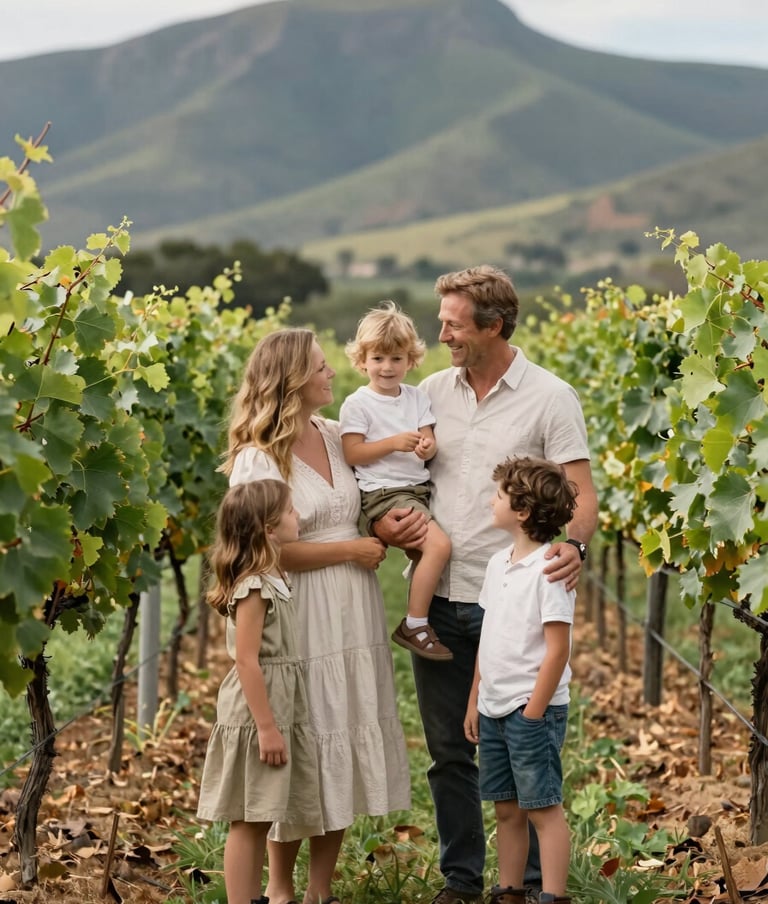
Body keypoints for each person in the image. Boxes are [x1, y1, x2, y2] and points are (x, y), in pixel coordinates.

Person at [371, 265, 599, 904]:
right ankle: (463, 880)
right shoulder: (428, 394)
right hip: (442, 600)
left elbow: (582, 495)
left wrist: (573, 545)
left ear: (492, 325)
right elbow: (392, 474)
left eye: (452, 323)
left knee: (522, 750)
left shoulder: (552, 397)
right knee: (450, 753)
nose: (440, 333)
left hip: (518, 607)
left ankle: (529, 886)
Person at [221, 328, 411, 904]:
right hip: (297, 610)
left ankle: (320, 892)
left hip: (353, 608)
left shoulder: (333, 435)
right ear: (293, 381)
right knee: (305, 743)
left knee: (344, 737)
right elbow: (263, 549)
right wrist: (349, 550)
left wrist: (380, 530)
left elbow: (354, 506)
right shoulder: (258, 455)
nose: (333, 375)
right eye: (323, 368)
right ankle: (279, 889)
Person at [196, 479, 323, 904]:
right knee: (248, 819)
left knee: (261, 814)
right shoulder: (253, 586)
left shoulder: (272, 577)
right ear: (269, 527)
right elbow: (247, 660)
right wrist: (267, 728)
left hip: (275, 703)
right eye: (290, 512)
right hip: (257, 712)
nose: (298, 517)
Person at [464, 457, 579, 904]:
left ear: (523, 511)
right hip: (493, 709)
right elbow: (488, 636)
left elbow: (558, 649)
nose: (491, 501)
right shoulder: (498, 564)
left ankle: (551, 896)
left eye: (498, 495)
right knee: (506, 809)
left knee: (543, 809)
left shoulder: (549, 571)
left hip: (531, 711)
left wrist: (533, 713)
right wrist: (475, 697)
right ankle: (509, 893)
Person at [340, 301, 452, 661]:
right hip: (384, 492)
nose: (387, 368)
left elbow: (428, 439)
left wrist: (425, 446)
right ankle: (415, 624)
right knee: (439, 547)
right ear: (362, 361)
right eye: (377, 359)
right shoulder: (357, 404)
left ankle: (421, 617)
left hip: (416, 488)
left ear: (410, 360)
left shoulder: (417, 397)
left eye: (396, 359)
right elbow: (353, 454)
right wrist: (391, 443)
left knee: (426, 552)